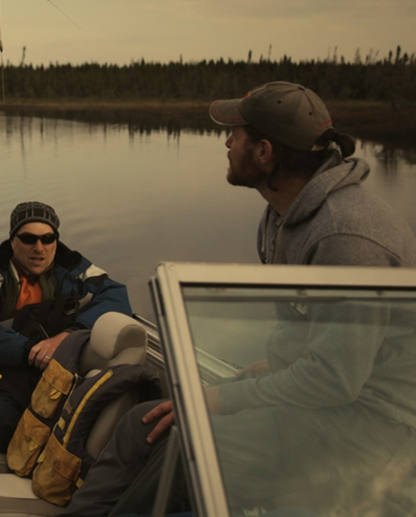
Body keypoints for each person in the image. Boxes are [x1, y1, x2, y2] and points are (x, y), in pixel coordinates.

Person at [61, 81, 416, 516]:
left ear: (264, 151)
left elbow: (335, 380)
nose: (226, 142)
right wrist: (272, 365)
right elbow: (319, 338)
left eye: (235, 134)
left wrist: (215, 400)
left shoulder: (347, 237)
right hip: (320, 399)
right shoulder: (281, 216)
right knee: (143, 423)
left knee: (189, 452)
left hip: (374, 424)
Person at [0, 201, 133, 451]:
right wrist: (32, 350)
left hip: (61, 377)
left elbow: (116, 298)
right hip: (4, 378)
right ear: (12, 240)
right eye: (28, 238)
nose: (39, 248)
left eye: (48, 239)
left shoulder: (76, 270)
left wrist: (68, 336)